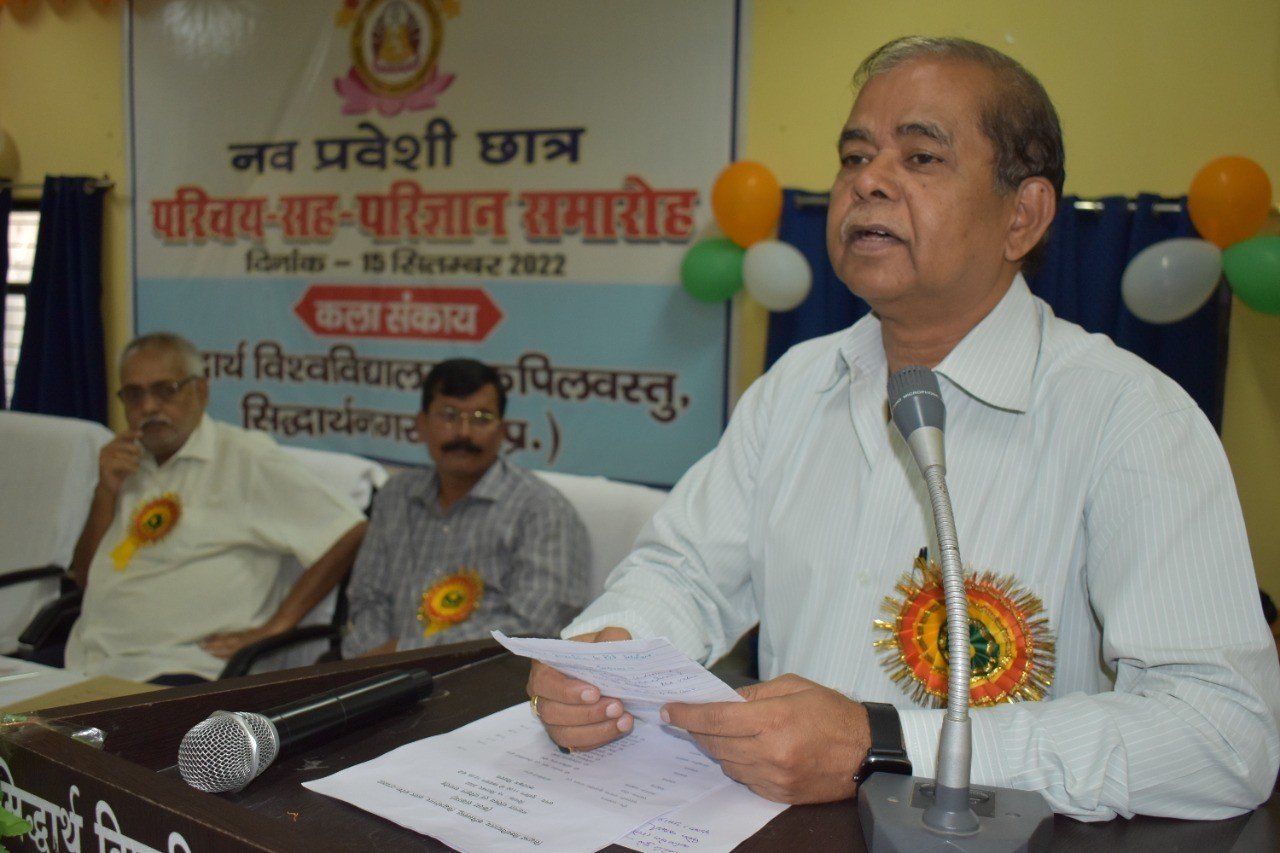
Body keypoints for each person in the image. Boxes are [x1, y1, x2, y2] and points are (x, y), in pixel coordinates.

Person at [527, 36, 1280, 821]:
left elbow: (1225, 735)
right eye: (854, 156)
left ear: (1022, 215)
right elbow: (683, 572)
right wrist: (608, 654)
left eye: (920, 157)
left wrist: (889, 743)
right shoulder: (796, 385)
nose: (867, 181)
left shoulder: (1129, 415)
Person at [63, 333, 367, 685]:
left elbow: (349, 531)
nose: (147, 407)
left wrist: (278, 625)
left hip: (180, 669)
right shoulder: (128, 462)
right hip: (87, 657)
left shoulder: (244, 459)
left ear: (201, 391)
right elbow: (85, 577)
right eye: (134, 394)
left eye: (165, 390)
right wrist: (105, 492)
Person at [342, 358, 589, 657]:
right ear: (421, 425)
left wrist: (406, 653)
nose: (463, 433)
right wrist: (372, 662)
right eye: (449, 415)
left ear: (502, 431)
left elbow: (536, 625)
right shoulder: (396, 496)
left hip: (485, 678)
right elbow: (366, 598)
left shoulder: (542, 510)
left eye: (481, 418)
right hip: (376, 673)